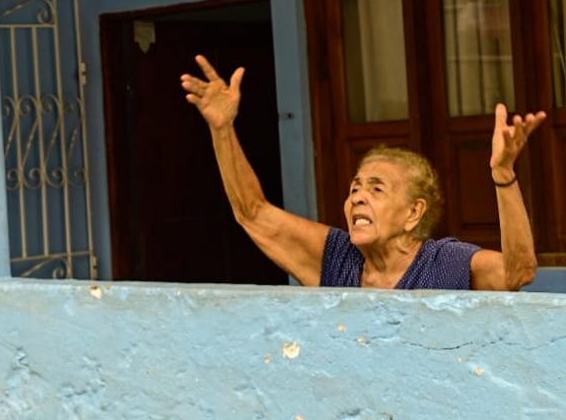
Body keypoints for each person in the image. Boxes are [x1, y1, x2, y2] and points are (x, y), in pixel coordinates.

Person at [180, 55, 544, 290]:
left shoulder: (446, 264)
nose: (357, 196)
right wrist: (222, 129)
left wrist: (503, 174)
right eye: (355, 188)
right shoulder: (336, 258)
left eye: (376, 189)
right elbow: (252, 212)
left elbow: (519, 273)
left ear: (413, 213)